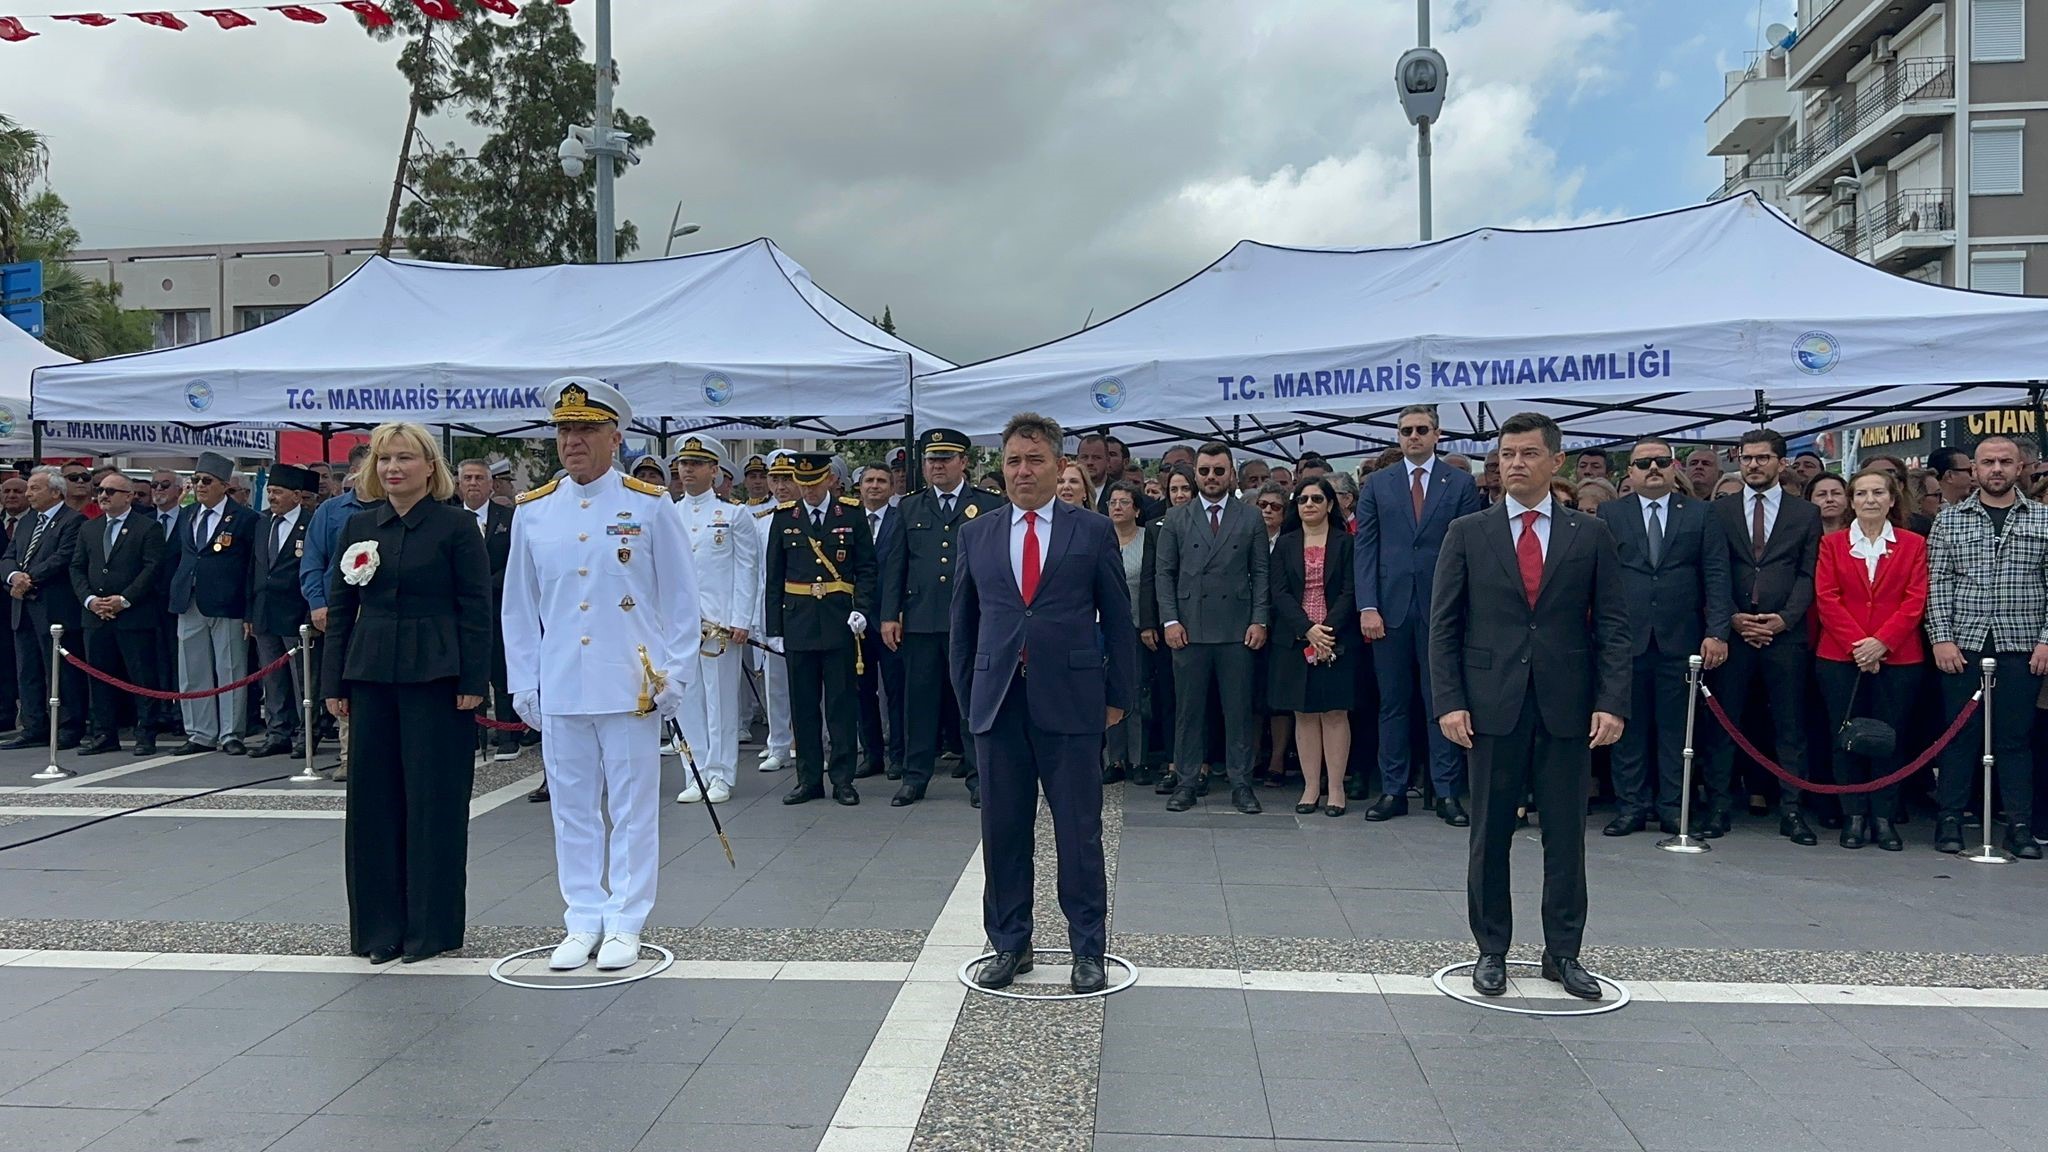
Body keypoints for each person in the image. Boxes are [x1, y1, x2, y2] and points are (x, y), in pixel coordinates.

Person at [1428, 411, 1630, 1000]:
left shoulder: (1588, 534)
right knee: (1489, 832)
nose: (1514, 463)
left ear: (1555, 461)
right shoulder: (1468, 532)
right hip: (1491, 705)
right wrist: (1450, 701)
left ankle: (1563, 953)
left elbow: (1614, 626)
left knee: (1566, 835)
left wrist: (1611, 701)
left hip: (1568, 704)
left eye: (1527, 453)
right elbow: (1444, 626)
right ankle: (1491, 949)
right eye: (1506, 453)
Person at [502, 378, 698, 971]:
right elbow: (519, 604)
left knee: (635, 806)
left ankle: (626, 920)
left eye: (586, 429)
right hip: (563, 681)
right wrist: (524, 680)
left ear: (616, 436)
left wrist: (676, 675)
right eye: (564, 430)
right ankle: (583, 916)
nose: (573, 441)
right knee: (572, 807)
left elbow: (681, 599)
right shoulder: (534, 513)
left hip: (630, 682)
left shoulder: (648, 504)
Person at [954, 411, 1137, 995]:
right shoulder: (976, 533)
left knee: (1078, 832)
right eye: (1013, 461)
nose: (1023, 471)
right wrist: (969, 699)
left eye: (1035, 460)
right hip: (999, 702)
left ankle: (1088, 948)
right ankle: (1010, 943)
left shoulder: (1091, 530)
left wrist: (1118, 698)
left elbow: (1120, 618)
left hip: (1072, 703)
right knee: (1004, 830)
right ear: (1001, 468)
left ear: (1060, 466)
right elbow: (964, 625)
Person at [320, 422, 491, 965]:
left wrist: (472, 681)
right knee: (373, 805)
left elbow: (476, 609)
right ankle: (378, 929)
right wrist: (334, 683)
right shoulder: (358, 527)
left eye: (405, 458)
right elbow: (341, 609)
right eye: (385, 459)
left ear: (429, 466)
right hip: (370, 675)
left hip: (436, 677)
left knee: (432, 803)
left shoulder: (456, 527)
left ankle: (429, 928)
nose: (394, 468)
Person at [1355, 403, 1484, 825]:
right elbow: (1366, 548)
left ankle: (1445, 792)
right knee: (1393, 704)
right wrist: (1367, 605)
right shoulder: (1377, 484)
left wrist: (1465, 607)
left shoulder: (1461, 483)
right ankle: (1393, 790)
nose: (1414, 436)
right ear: (1397, 435)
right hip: (1389, 610)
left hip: (1442, 608)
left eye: (1421, 429)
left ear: (1437, 435)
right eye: (1406, 430)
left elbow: (1468, 551)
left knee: (1441, 702)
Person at [1596, 438, 1728, 835]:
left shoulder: (1702, 514)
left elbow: (1717, 575)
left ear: (1675, 468)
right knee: (1627, 727)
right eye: (1643, 463)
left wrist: (1717, 631)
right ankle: (1631, 807)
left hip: (1681, 640)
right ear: (1630, 472)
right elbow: (1599, 578)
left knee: (1677, 729)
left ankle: (1673, 807)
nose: (1653, 468)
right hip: (1625, 639)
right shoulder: (1609, 513)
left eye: (1661, 461)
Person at [1925, 435, 2048, 858]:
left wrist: (2047, 641)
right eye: (1987, 462)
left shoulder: (2044, 520)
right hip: (1963, 644)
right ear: (1973, 471)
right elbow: (1938, 584)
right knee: (1960, 737)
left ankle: (2018, 826)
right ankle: (1950, 821)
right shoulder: (1949, 521)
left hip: (2022, 646)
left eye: (2005, 462)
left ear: (2021, 468)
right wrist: (1940, 637)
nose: (1996, 469)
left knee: (2015, 740)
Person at [1703, 429, 1825, 842]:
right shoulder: (1718, 511)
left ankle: (1792, 810)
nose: (1753, 465)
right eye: (1747, 458)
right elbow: (1713, 573)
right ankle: (1718, 807)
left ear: (1781, 462)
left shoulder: (1804, 514)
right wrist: (1732, 618)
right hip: (1732, 635)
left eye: (1762, 458)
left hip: (1784, 636)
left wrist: (1784, 620)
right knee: (1723, 723)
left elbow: (1809, 573)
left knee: (1789, 726)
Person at [880, 429, 1006, 808]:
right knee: (919, 702)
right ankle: (915, 777)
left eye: (946, 458)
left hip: (972, 619)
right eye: (932, 459)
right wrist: (889, 615)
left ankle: (979, 776)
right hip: (921, 619)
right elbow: (895, 566)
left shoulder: (986, 504)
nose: (937, 465)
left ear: (963, 462)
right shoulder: (910, 507)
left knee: (972, 700)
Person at [1813, 468, 1925, 852]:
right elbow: (1827, 599)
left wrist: (1882, 643)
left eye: (1878, 492)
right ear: (1851, 501)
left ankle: (1884, 817)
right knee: (1845, 737)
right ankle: (1854, 816)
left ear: (1892, 500)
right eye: (1861, 493)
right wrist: (1860, 646)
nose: (1870, 500)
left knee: (1889, 739)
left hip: (1899, 657)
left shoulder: (1912, 544)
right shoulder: (1832, 545)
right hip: (1840, 657)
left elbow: (1915, 601)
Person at [1157, 441, 1270, 816]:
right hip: (1189, 628)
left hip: (1237, 629)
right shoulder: (1176, 518)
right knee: (1189, 711)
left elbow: (1261, 573)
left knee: (1238, 710)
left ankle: (1241, 782)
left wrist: (1259, 619)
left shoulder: (1250, 517)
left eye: (1218, 471)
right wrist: (1170, 620)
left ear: (1231, 474)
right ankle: (1187, 781)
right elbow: (1165, 574)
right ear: (1196, 473)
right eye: (1204, 471)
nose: (1211, 477)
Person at [764, 451, 878, 806]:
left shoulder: (851, 513)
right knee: (804, 706)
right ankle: (809, 779)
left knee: (841, 704)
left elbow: (867, 569)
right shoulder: (785, 518)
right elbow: (774, 577)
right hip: (798, 621)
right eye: (803, 485)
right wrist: (775, 628)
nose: (809, 491)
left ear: (830, 479)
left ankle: (842, 779)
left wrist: (862, 609)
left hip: (839, 620)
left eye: (815, 484)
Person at [669, 435, 759, 806]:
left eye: (696, 464)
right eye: (683, 464)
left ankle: (720, 774)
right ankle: (695, 772)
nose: (687, 470)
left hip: (719, 624)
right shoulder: (668, 512)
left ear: (715, 471)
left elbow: (747, 569)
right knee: (685, 701)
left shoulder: (733, 514)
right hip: (679, 625)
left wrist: (741, 618)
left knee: (720, 702)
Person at [1270, 476, 1356, 815]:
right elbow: (1278, 592)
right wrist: (1308, 630)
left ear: (1330, 504)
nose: (1309, 505)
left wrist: (1326, 632)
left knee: (1334, 712)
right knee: (1303, 713)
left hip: (1336, 639)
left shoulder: (1346, 543)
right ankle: (1310, 787)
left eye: (1317, 499)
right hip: (1295, 639)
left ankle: (1335, 789)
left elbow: (1351, 591)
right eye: (1303, 499)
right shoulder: (1286, 543)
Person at [166, 452, 260, 757]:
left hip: (227, 601)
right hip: (190, 598)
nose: (199, 486)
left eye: (206, 481)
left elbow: (251, 567)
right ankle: (199, 731)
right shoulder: (187, 514)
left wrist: (249, 608)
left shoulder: (245, 518)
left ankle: (231, 731)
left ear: (223, 485)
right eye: (195, 481)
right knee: (192, 669)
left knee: (230, 666)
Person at [69, 470, 167, 757]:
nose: (102, 496)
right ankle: (104, 732)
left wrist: (124, 599)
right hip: (96, 616)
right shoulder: (90, 528)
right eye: (100, 490)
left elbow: (152, 568)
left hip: (133, 615)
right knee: (99, 675)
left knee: (140, 675)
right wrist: (89, 600)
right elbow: (77, 567)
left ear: (128, 496)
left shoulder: (147, 528)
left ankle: (146, 731)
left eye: (110, 491)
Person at [301, 443, 373, 783]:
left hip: (377, 609)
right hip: (340, 608)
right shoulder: (331, 511)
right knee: (343, 683)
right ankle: (348, 757)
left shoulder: (392, 508)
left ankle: (372, 752)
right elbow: (313, 560)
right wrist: (317, 602)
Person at [246, 464, 316, 759]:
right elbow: (253, 569)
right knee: (272, 679)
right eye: (270, 491)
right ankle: (278, 732)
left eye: (278, 492)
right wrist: (249, 614)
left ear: (297, 495)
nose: (272, 496)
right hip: (264, 612)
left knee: (301, 679)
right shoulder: (263, 523)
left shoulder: (310, 523)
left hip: (295, 612)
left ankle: (305, 734)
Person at [454, 457, 518, 760]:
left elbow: (517, 562)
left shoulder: (509, 516)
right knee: (468, 674)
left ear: (491, 484)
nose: (473, 483)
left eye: (480, 478)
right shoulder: (449, 519)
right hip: (461, 613)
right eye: (467, 478)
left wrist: (485, 585)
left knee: (503, 675)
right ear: (458, 484)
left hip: (499, 607)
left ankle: (508, 736)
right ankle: (471, 736)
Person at [1138, 464, 1197, 791]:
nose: (1178, 495)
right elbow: (1150, 577)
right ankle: (1174, 762)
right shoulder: (1155, 527)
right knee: (1170, 698)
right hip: (1166, 624)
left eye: (1184, 489)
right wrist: (1150, 622)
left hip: (1203, 622)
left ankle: (1198, 764)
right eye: (1173, 490)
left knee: (1200, 698)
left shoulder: (1207, 525)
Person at [849, 464, 904, 784]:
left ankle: (898, 754)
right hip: (856, 619)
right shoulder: (849, 519)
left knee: (896, 690)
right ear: (859, 486)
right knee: (861, 691)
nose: (874, 486)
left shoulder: (902, 520)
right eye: (869, 480)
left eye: (881, 481)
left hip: (890, 618)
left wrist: (897, 613)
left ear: (892, 486)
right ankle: (872, 755)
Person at [751, 450, 800, 773]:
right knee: (776, 684)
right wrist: (757, 618)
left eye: (788, 478)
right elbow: (756, 573)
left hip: (806, 607)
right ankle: (778, 744)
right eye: (776, 478)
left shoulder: (808, 517)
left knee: (816, 685)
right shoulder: (760, 522)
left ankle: (819, 741)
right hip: (773, 610)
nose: (781, 486)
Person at [1103, 481, 1148, 784]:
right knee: (1108, 693)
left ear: (1137, 509)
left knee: (1137, 694)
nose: (1117, 507)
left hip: (1139, 629)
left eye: (1124, 502)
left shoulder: (1148, 539)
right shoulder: (1099, 537)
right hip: (1105, 629)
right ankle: (1114, 759)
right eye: (1112, 502)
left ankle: (1139, 759)